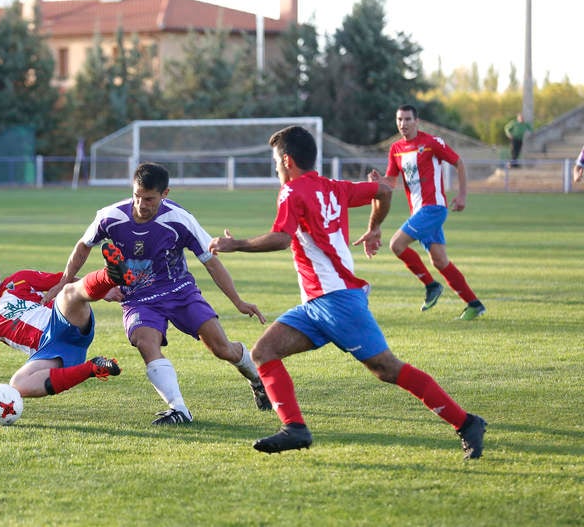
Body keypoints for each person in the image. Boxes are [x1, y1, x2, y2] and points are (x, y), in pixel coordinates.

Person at [208, 125, 487, 459]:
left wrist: (236, 244)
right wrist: (374, 227)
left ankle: (466, 422)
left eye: (276, 162)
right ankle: (294, 428)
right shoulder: (334, 187)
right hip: (316, 305)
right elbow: (383, 191)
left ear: (288, 161)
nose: (276, 169)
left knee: (387, 368)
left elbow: (282, 238)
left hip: (337, 301)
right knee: (264, 352)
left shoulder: (291, 191)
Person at [43, 162, 271, 425]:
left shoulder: (179, 219)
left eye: (149, 199)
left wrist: (238, 301)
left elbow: (211, 261)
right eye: (137, 196)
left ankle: (258, 380)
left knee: (222, 348)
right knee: (145, 343)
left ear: (165, 194)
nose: (141, 204)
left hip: (179, 291)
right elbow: (84, 245)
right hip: (138, 299)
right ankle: (179, 410)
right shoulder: (110, 216)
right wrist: (63, 281)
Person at [0, 250, 123, 417]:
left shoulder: (19, 279)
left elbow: (64, 280)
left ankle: (109, 275)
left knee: (67, 291)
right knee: (17, 384)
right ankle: (94, 367)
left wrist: (104, 291)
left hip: (63, 320)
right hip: (49, 351)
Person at [371, 104, 485, 320]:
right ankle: (474, 304)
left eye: (407, 119)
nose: (403, 124)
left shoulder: (431, 143)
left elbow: (459, 163)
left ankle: (431, 286)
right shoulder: (396, 149)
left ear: (417, 121)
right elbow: (391, 182)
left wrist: (462, 195)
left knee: (396, 244)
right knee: (440, 261)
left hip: (433, 208)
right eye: (399, 119)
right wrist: (379, 181)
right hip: (418, 212)